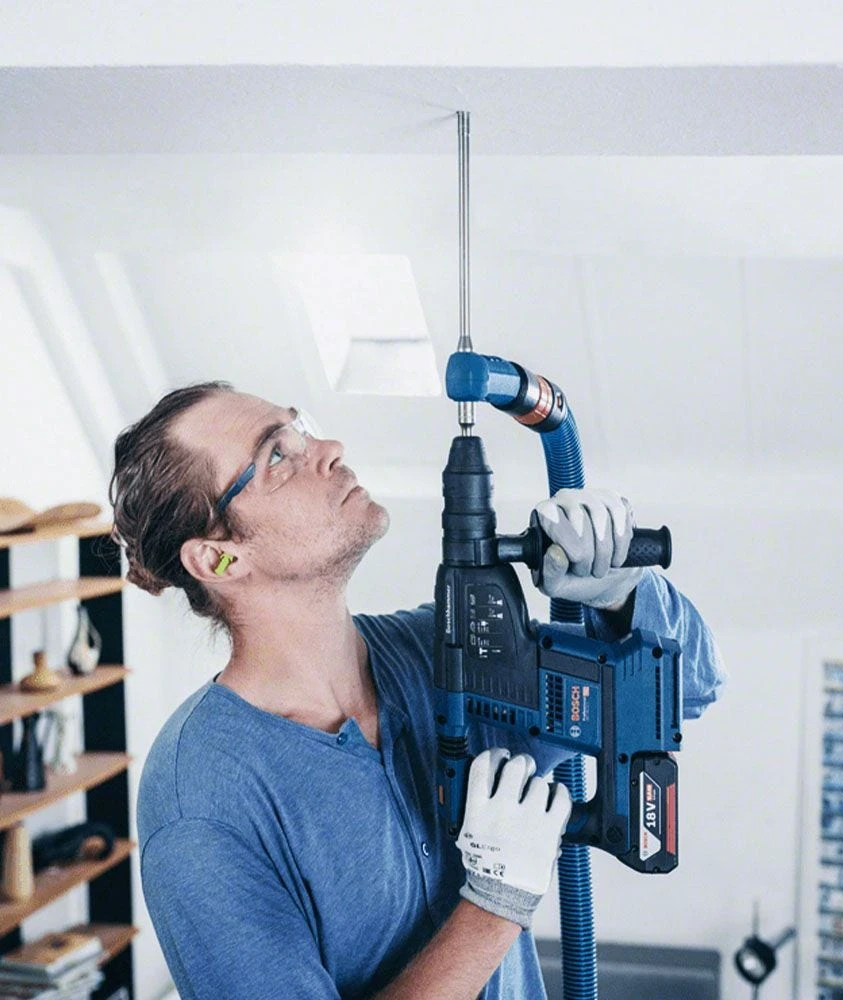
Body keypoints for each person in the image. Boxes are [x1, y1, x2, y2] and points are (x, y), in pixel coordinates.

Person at [111, 381, 726, 1000]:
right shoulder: (200, 803)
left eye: (301, 429)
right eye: (276, 455)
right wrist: (496, 902)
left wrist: (620, 595)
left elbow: (691, 687)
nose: (328, 448)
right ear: (218, 560)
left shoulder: (445, 654)